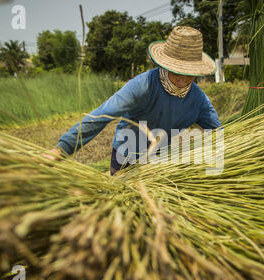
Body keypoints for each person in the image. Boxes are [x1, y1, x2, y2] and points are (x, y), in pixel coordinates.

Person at [45, 26, 221, 175]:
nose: (182, 78)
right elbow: (101, 115)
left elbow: (219, 132)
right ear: (165, 65)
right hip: (125, 156)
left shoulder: (198, 100)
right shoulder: (143, 86)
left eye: (189, 73)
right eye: (176, 71)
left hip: (158, 160)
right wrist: (61, 149)